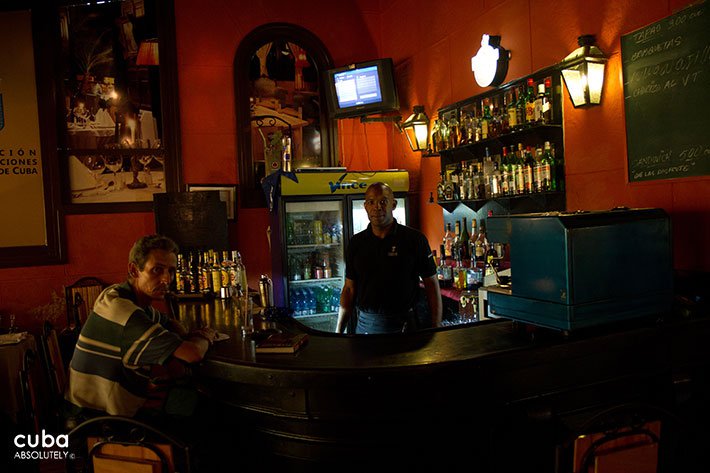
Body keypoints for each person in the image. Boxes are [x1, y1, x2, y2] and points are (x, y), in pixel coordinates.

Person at [66, 234, 218, 418]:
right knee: (205, 405)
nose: (166, 279)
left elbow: (168, 323)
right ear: (134, 270)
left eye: (171, 271)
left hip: (94, 409)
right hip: (100, 422)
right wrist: (205, 336)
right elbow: (193, 354)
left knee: (188, 395)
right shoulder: (126, 314)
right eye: (157, 270)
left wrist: (180, 336)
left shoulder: (117, 294)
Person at [337, 182, 442, 334]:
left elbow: (431, 284)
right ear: (365, 206)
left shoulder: (414, 239)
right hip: (366, 326)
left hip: (406, 326)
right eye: (371, 202)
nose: (377, 207)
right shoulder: (356, 243)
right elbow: (349, 289)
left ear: (393, 204)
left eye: (383, 201)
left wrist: (436, 325)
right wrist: (339, 331)